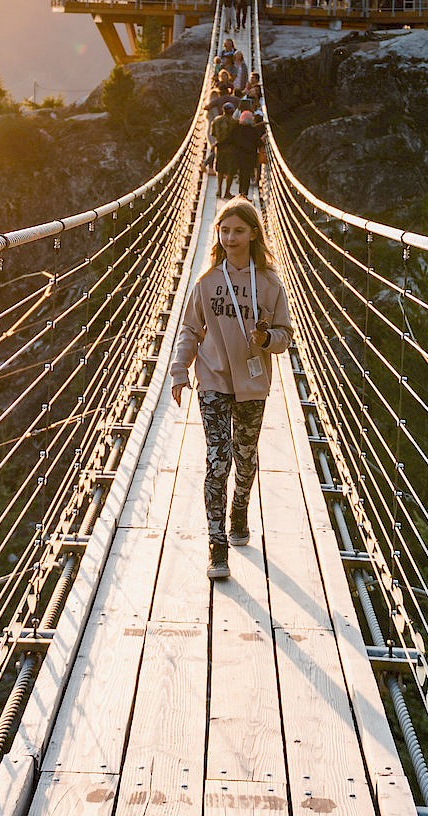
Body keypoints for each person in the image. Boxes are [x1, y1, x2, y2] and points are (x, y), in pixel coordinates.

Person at [170, 198, 293, 581]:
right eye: (224, 230)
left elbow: (286, 336)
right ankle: (216, 542)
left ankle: (240, 509)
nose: (230, 237)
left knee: (245, 459)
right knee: (217, 461)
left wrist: (266, 337)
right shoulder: (207, 282)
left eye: (239, 230)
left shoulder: (270, 284)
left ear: (253, 233)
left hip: (253, 384)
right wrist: (179, 370)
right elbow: (190, 329)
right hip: (213, 381)